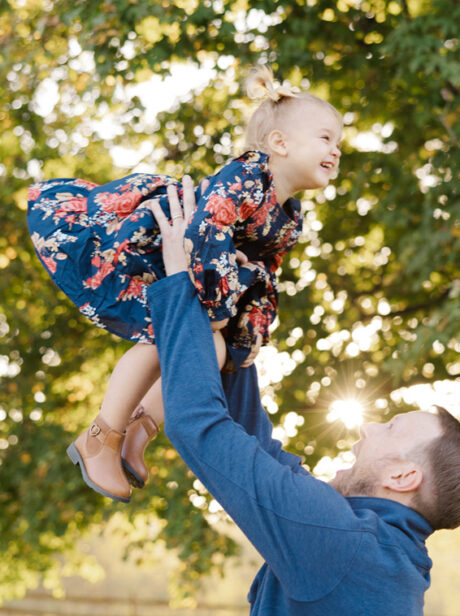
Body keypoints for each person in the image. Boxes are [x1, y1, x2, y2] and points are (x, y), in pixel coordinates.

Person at [146, 177, 460, 616]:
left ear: (403, 475)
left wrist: (178, 284)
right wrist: (236, 321)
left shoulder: (345, 544)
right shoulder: (368, 544)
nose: (370, 425)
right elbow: (254, 447)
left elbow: (198, 426)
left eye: (392, 426)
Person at [26, 66, 342, 503]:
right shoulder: (247, 176)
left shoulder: (291, 216)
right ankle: (100, 435)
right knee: (163, 339)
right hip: (157, 251)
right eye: (326, 138)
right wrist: (218, 308)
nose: (337, 150)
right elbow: (207, 228)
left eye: (339, 142)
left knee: (210, 353)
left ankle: (139, 430)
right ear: (279, 143)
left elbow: (266, 270)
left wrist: (241, 322)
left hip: (210, 278)